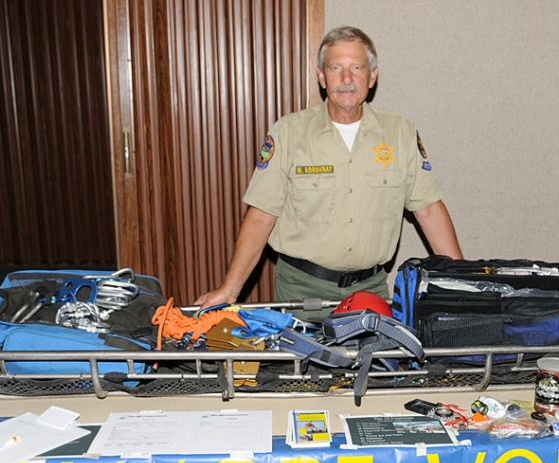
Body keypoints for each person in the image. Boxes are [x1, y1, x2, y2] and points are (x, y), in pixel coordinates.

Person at [194, 26, 463, 313]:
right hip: (300, 295)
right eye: (336, 68)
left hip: (370, 295)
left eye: (356, 67)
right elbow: (261, 216)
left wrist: (465, 286)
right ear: (322, 76)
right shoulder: (289, 133)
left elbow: (430, 211)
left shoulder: (400, 133)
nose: (346, 79)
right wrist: (230, 289)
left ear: (372, 76)